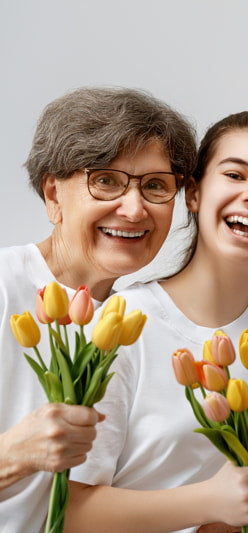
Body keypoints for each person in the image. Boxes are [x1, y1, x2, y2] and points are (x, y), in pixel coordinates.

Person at [64, 111, 248, 532]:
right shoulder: (122, 327)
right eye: (235, 174)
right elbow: (69, 511)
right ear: (192, 193)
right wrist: (210, 502)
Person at [0, 86, 196, 532]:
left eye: (155, 186)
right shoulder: (4, 285)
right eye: (105, 180)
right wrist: (13, 454)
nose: (133, 208)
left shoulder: (140, 319)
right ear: (53, 194)